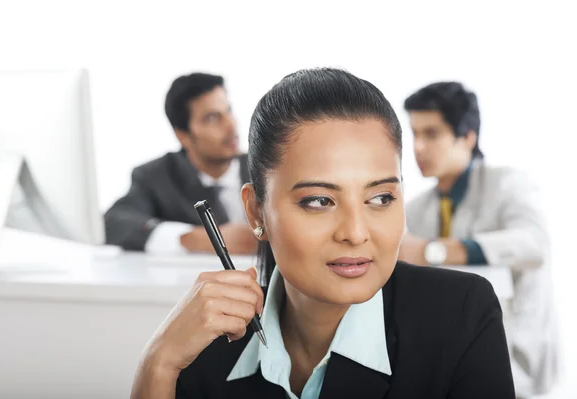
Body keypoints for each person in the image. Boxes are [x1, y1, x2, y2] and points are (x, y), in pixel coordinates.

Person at [130, 68, 515, 399]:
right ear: (255, 211)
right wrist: (157, 363)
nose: (355, 232)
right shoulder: (206, 345)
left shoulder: (461, 316)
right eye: (319, 201)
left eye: (381, 197)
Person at [399, 82, 558, 398]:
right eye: (414, 134)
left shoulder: (509, 184)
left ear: (468, 136)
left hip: (518, 356)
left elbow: (534, 243)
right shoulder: (414, 209)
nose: (418, 147)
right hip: (451, 360)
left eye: (431, 134)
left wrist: (434, 251)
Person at [104, 73, 257, 255]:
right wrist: (202, 239)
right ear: (182, 135)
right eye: (212, 118)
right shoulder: (155, 176)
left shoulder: (266, 165)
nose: (231, 126)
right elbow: (114, 223)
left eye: (229, 111)